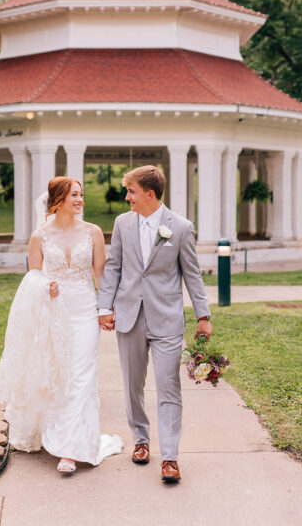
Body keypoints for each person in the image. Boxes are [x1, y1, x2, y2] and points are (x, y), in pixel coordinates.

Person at [0, 176, 123, 474]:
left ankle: (70, 449)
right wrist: (45, 288)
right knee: (60, 374)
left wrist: (105, 309)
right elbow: (33, 277)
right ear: (58, 199)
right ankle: (58, 431)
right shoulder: (39, 236)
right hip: (54, 312)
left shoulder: (93, 233)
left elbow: (101, 275)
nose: (80, 200)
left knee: (82, 375)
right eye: (74, 195)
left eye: (81, 195)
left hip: (85, 311)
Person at [97, 165, 212, 483]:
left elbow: (192, 274)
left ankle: (171, 458)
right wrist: (104, 307)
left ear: (149, 194)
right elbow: (114, 267)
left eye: (131, 191)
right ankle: (141, 441)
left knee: (168, 386)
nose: (126, 197)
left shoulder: (181, 227)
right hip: (129, 316)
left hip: (167, 320)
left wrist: (203, 317)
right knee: (132, 385)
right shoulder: (122, 223)